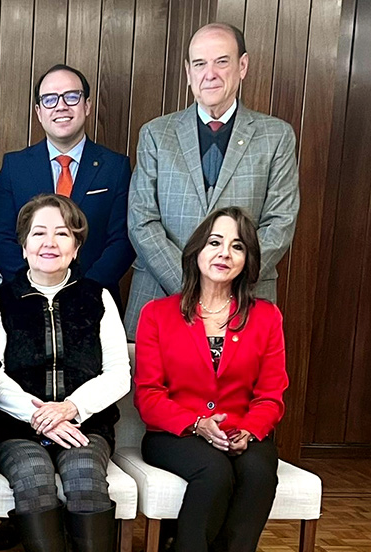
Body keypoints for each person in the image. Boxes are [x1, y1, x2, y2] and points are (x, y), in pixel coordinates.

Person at [134, 206, 287, 552]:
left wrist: (249, 430)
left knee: (259, 472)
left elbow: (271, 394)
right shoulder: (157, 313)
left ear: (247, 260)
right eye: (215, 242)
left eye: (237, 247)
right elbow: (149, 395)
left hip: (242, 429)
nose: (224, 253)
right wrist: (198, 423)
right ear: (197, 251)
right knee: (215, 472)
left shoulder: (267, 317)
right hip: (176, 432)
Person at [0, 194, 130, 552]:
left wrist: (71, 409)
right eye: (39, 233)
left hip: (85, 426)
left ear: (76, 245)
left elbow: (118, 373)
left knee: (85, 478)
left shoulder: (97, 298)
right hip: (17, 429)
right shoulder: (0, 302)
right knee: (32, 478)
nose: (49, 243)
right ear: (24, 243)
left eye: (62, 233)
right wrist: (40, 416)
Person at [125, 22, 299, 340]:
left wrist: (225, 284)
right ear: (188, 71)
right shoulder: (155, 134)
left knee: (237, 390)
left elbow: (280, 223)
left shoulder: (277, 136)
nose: (210, 73)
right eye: (200, 63)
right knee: (151, 391)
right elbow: (141, 222)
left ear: (242, 66)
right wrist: (193, 286)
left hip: (244, 299)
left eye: (222, 61)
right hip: (160, 294)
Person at [0, 64, 133, 305]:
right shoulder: (15, 166)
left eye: (72, 96)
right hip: (26, 303)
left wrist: (84, 291)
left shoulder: (115, 167)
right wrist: (33, 288)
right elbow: (0, 236)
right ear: (38, 111)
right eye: (50, 99)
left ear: (87, 105)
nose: (61, 106)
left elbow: (123, 239)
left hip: (95, 301)